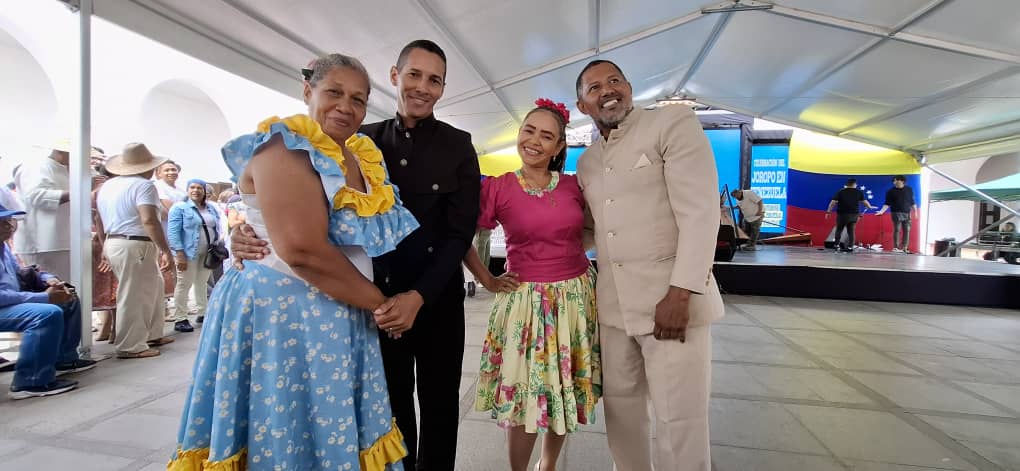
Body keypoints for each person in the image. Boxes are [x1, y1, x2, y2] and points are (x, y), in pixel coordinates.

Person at [231, 39, 480, 470]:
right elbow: (298, 211)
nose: (422, 87)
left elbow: (459, 234)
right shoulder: (358, 141)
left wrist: (419, 296)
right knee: (387, 405)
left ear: (442, 88)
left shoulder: (458, 145)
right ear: (395, 76)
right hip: (369, 301)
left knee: (440, 404)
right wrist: (246, 233)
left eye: (434, 80)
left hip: (435, 298)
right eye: (414, 75)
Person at [170, 53, 416, 470]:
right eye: (334, 92)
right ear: (308, 90)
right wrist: (382, 305)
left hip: (341, 307)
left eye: (358, 99)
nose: (346, 106)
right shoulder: (284, 145)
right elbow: (302, 250)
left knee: (324, 426)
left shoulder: (359, 154)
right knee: (287, 428)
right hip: (285, 314)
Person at [574, 60, 725, 471]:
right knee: (621, 416)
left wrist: (681, 293)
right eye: (594, 87)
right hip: (613, 311)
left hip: (671, 305)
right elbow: (591, 230)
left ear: (629, 86)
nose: (607, 90)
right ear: (582, 106)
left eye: (614, 80)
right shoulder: (586, 163)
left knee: (680, 420)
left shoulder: (671, 123)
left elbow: (700, 213)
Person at [464, 99, 601, 471]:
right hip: (524, 303)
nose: (534, 141)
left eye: (546, 136)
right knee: (525, 396)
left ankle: (548, 464)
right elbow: (461, 235)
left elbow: (596, 228)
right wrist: (486, 278)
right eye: (529, 131)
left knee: (562, 387)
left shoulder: (574, 186)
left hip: (574, 299)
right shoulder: (498, 188)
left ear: (559, 147)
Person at [0, 204, 97, 399]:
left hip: (9, 303)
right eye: (2, 223)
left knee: (67, 299)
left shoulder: (4, 247)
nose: (9, 226)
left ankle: (63, 359)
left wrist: (48, 279)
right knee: (46, 314)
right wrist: (44, 297)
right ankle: (30, 381)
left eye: (9, 221)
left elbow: (22, 271)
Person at [96, 143, 176, 359]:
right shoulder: (144, 186)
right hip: (136, 243)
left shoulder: (108, 186)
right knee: (134, 294)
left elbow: (99, 219)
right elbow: (149, 220)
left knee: (154, 287)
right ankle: (130, 345)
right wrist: (165, 249)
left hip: (117, 241)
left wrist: (104, 244)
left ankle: (152, 333)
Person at [12, 139, 91, 279]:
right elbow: (35, 196)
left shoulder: (66, 170)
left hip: (64, 239)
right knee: (51, 284)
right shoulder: (36, 166)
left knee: (68, 285)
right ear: (61, 151)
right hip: (43, 242)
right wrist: (77, 192)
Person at [166, 179, 221, 333]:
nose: (195, 190)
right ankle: (181, 318)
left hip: (208, 251)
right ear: (187, 190)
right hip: (188, 252)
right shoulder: (179, 208)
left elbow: (215, 227)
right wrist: (179, 253)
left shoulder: (210, 208)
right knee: (184, 284)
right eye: (192, 187)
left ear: (204, 191)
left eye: (199, 188)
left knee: (202, 283)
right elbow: (173, 232)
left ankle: (203, 313)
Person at [153, 160, 183, 311]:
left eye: (173, 169)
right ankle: (163, 307)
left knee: (179, 273)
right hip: (164, 235)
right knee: (163, 270)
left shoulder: (180, 190)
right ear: (158, 173)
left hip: (179, 235)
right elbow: (170, 210)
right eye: (167, 170)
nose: (171, 172)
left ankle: (179, 306)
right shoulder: (158, 187)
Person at [826, 178, 876, 253]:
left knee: (839, 230)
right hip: (853, 215)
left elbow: (832, 202)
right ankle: (850, 247)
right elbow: (865, 202)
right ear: (854, 184)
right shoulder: (859, 192)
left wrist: (828, 212)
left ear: (847, 184)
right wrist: (870, 207)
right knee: (851, 231)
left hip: (842, 214)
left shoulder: (841, 191)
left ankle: (836, 245)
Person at [875, 175, 918, 253]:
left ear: (902, 181)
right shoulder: (890, 191)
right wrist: (881, 211)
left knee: (907, 230)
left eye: (896, 180)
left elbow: (912, 201)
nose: (894, 182)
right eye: (893, 181)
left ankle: (905, 247)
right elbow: (887, 203)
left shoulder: (909, 189)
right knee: (897, 229)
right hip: (896, 212)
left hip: (907, 212)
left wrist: (915, 212)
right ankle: (896, 247)